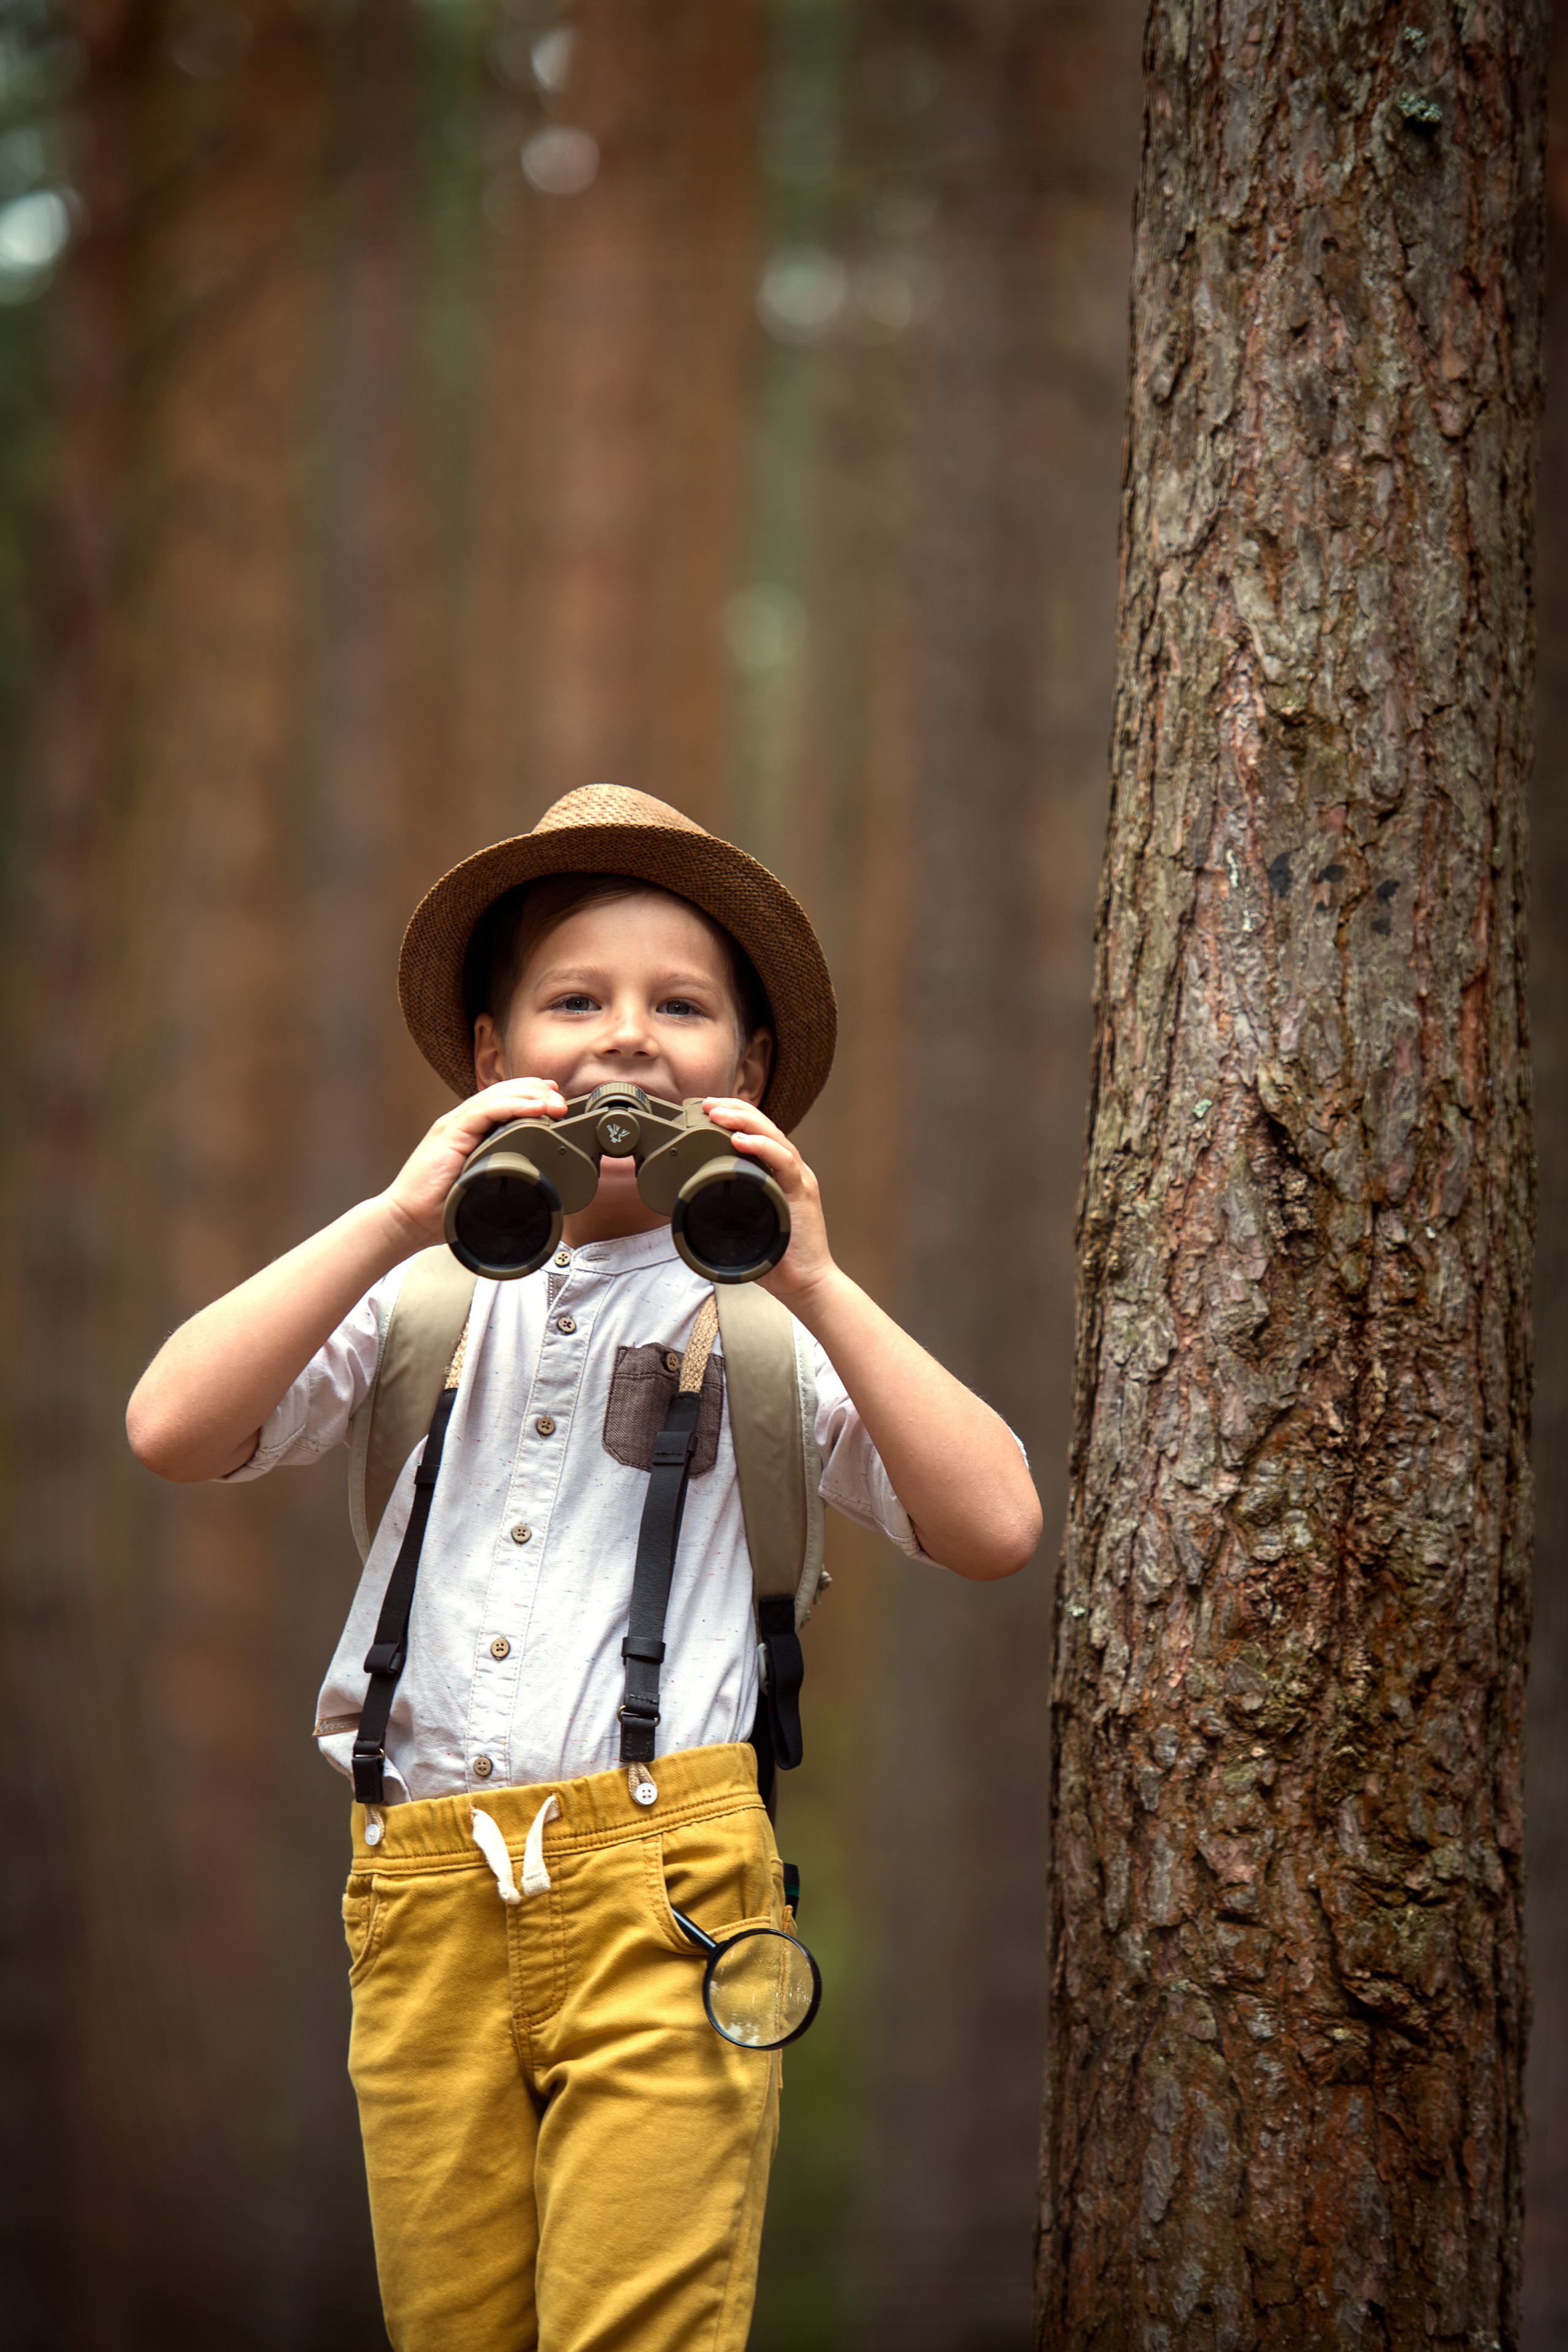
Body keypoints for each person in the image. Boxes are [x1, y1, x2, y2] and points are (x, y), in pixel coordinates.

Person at [127, 783, 1041, 2352]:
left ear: (748, 1074)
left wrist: (810, 1274)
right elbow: (173, 1424)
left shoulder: (763, 1327)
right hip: (418, 1894)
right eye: (574, 1001)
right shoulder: (422, 1301)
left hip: (666, 1890)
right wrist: (397, 1216)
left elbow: (993, 1523)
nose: (624, 1039)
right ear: (489, 1059)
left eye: (679, 1007)